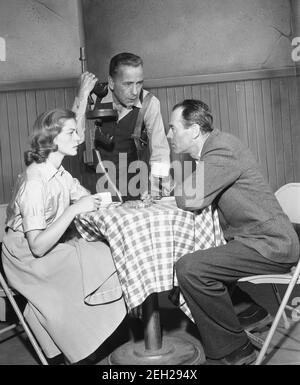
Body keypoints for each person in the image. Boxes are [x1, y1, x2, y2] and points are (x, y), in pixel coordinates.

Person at [167, 99, 299, 365]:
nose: (169, 135)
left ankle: (235, 350)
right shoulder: (215, 150)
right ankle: (249, 311)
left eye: (173, 128)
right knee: (181, 259)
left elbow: (190, 197)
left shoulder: (221, 149)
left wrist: (174, 187)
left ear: (193, 130)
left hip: (271, 244)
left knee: (190, 268)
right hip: (256, 238)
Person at [1, 109, 126, 364]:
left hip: (49, 244)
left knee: (104, 251)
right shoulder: (35, 181)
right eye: (71, 132)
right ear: (51, 139)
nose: (79, 137)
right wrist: (72, 210)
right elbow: (36, 246)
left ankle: (99, 334)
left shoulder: (60, 173)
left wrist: (118, 204)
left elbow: (85, 198)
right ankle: (84, 343)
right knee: (96, 259)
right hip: (24, 256)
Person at [72, 52, 170, 200]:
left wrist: (156, 189)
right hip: (95, 192)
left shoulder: (149, 103)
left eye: (139, 83)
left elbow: (160, 152)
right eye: (128, 84)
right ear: (111, 82)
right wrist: (82, 95)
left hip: (135, 190)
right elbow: (73, 138)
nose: (135, 92)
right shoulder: (91, 99)